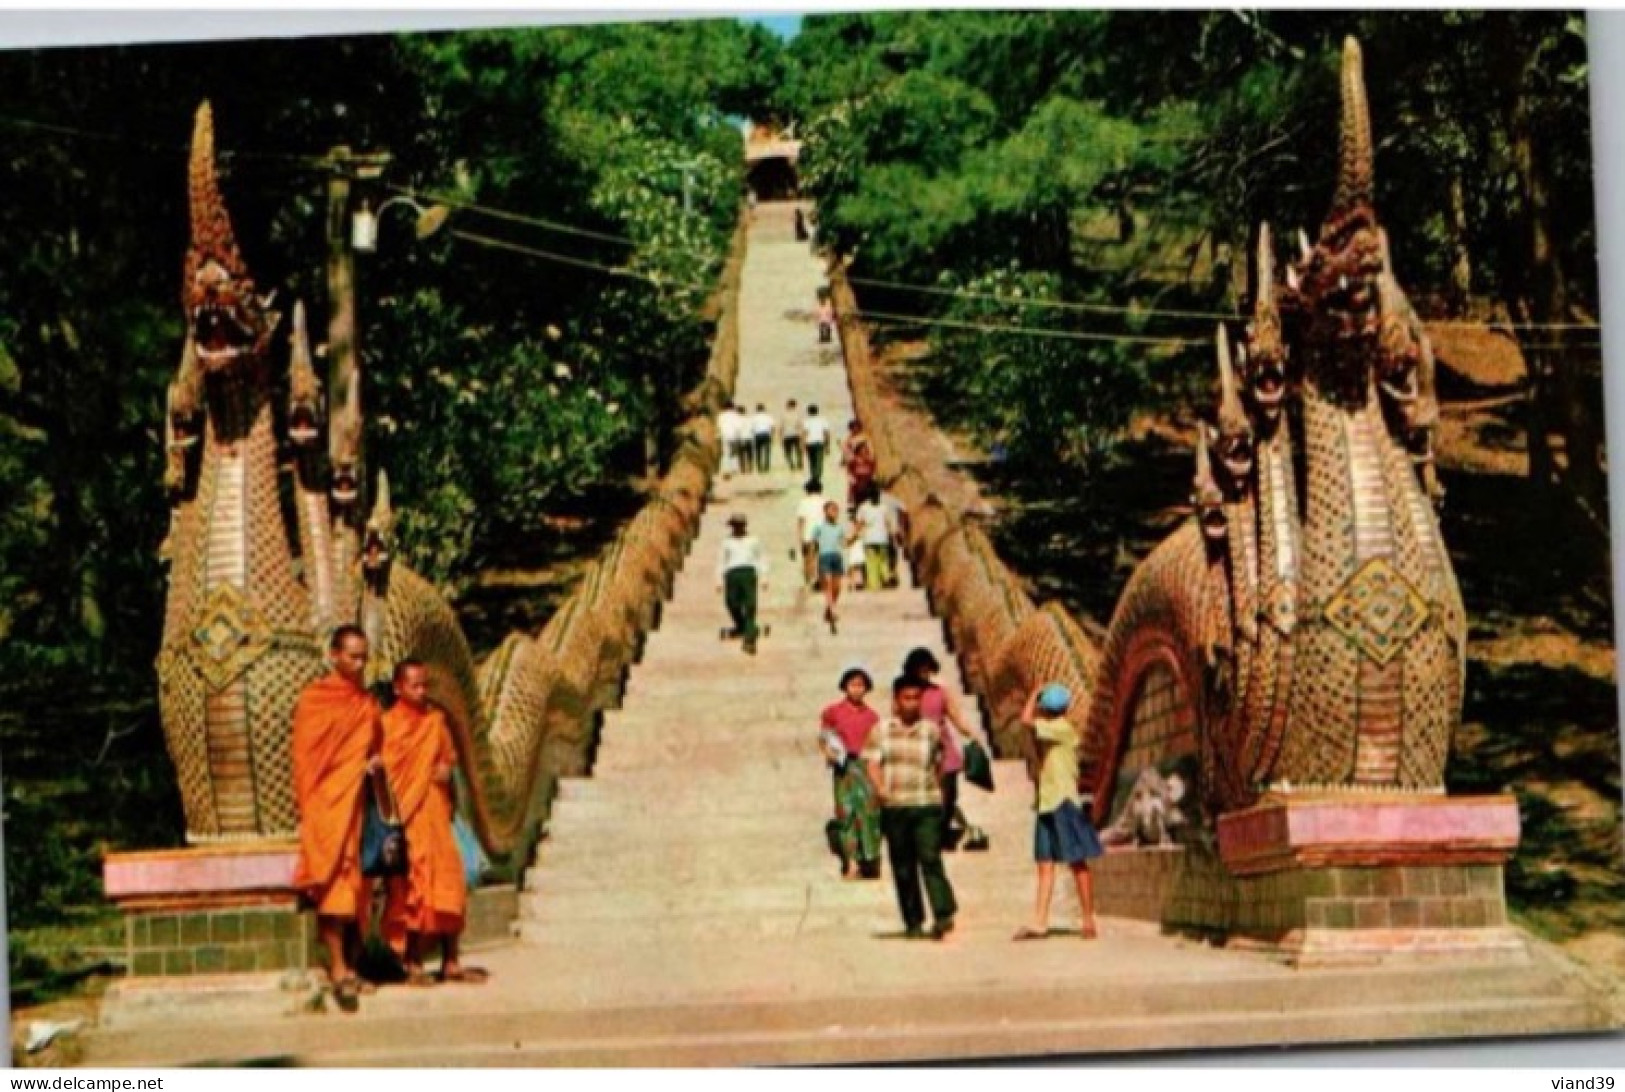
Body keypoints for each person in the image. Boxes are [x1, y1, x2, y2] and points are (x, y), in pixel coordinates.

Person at [291, 623, 383, 1012]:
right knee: (331, 882)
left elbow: (377, 749)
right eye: (353, 656)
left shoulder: (367, 705)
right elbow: (305, 758)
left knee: (354, 886)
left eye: (364, 656)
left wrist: (374, 763)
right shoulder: (314, 700)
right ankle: (338, 969)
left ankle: (349, 964)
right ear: (334, 655)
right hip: (326, 807)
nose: (360, 663)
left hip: (356, 807)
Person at [380, 660, 485, 986]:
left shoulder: (436, 722)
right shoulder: (387, 725)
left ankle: (451, 960)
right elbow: (387, 773)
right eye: (414, 685)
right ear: (398, 687)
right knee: (414, 888)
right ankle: (412, 962)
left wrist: (444, 773)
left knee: (449, 884)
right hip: (408, 817)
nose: (422, 691)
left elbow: (447, 761)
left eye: (425, 684)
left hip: (438, 815)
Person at [863, 675, 958, 940]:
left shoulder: (931, 730)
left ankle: (943, 913)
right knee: (903, 866)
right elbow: (872, 762)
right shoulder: (881, 730)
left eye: (917, 698)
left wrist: (936, 792)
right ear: (896, 701)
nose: (912, 703)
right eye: (907, 698)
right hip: (895, 806)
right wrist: (880, 787)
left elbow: (939, 763)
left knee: (930, 858)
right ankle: (913, 921)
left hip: (925, 803)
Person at [1013, 684, 1103, 941]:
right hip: (1046, 802)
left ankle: (1088, 918)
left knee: (1076, 861)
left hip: (1063, 802)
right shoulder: (1052, 730)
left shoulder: (1061, 729)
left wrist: (1033, 693)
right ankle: (1040, 921)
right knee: (1045, 864)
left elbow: (1025, 720)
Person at [901, 648, 989, 852]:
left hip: (944, 749)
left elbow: (955, 716)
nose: (924, 675)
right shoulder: (907, 694)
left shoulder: (939, 692)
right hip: (919, 749)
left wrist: (971, 734)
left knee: (949, 795)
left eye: (928, 670)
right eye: (920, 671)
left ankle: (940, 834)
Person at [818, 665, 882, 881]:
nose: (857, 689)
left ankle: (869, 858)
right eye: (852, 684)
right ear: (845, 686)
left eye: (861, 685)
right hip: (844, 768)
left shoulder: (872, 717)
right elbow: (824, 736)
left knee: (868, 814)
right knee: (846, 814)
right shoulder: (833, 712)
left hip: (865, 767)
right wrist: (828, 752)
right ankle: (851, 862)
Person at [716, 513, 768, 654]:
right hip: (732, 574)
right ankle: (743, 626)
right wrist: (718, 580)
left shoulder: (753, 540)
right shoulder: (727, 542)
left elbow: (761, 558)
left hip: (748, 572)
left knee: (750, 605)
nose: (736, 528)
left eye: (739, 525)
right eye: (734, 525)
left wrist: (764, 577)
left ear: (744, 526)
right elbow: (721, 560)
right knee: (731, 603)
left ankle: (749, 640)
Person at [809, 499, 851, 632]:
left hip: (836, 557)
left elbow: (845, 544)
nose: (834, 512)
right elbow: (813, 545)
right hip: (824, 556)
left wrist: (854, 536)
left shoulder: (839, 528)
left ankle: (829, 608)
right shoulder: (819, 527)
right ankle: (832, 611)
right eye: (832, 510)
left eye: (836, 510)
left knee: (837, 587)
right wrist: (811, 561)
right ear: (825, 512)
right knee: (827, 584)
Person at [854, 486, 895, 592]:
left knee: (871, 562)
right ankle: (886, 577)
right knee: (883, 560)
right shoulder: (884, 507)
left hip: (869, 539)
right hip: (882, 538)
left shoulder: (863, 507)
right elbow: (888, 523)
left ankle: (874, 584)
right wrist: (891, 535)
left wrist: (855, 535)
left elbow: (859, 523)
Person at [796, 479, 830, 591]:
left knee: (808, 559)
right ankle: (820, 580)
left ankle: (809, 581)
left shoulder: (803, 502)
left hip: (808, 534)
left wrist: (799, 536)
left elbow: (801, 520)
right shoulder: (825, 501)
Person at [842, 420, 876, 514]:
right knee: (853, 487)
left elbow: (871, 452)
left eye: (856, 427)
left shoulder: (865, 438)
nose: (855, 430)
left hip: (865, 469)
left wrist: (869, 457)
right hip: (856, 468)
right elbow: (846, 453)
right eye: (853, 428)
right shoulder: (849, 440)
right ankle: (853, 505)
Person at [802, 405, 831, 484]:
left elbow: (804, 434)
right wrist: (828, 445)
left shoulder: (806, 421)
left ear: (808, 412)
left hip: (810, 443)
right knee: (819, 461)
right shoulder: (823, 420)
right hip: (819, 442)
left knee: (811, 461)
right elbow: (826, 433)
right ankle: (817, 476)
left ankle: (814, 476)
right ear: (817, 411)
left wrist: (803, 445)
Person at [717, 403, 742, 479]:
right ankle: (734, 468)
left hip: (724, 435)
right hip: (734, 435)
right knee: (734, 452)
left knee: (726, 452)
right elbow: (739, 426)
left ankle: (725, 469)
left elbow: (719, 426)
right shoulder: (736, 415)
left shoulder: (721, 416)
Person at [732, 403, 756, 475]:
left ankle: (743, 469)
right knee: (749, 455)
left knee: (741, 455)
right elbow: (753, 429)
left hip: (740, 438)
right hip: (749, 438)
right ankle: (750, 468)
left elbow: (736, 430)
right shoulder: (749, 419)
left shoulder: (736, 420)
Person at [751, 403, 776, 473]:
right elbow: (772, 427)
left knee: (758, 452)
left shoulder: (754, 418)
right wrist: (772, 435)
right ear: (764, 409)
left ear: (757, 409)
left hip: (757, 435)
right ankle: (766, 466)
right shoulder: (768, 417)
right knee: (767, 452)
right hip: (766, 435)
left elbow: (752, 428)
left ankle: (759, 467)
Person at [782, 399, 805, 472]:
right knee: (798, 451)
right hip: (796, 435)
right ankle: (800, 464)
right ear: (795, 406)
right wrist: (802, 436)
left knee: (788, 452)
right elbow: (800, 426)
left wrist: (780, 437)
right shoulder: (797, 415)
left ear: (788, 405)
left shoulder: (784, 415)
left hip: (787, 435)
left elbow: (781, 427)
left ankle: (791, 465)